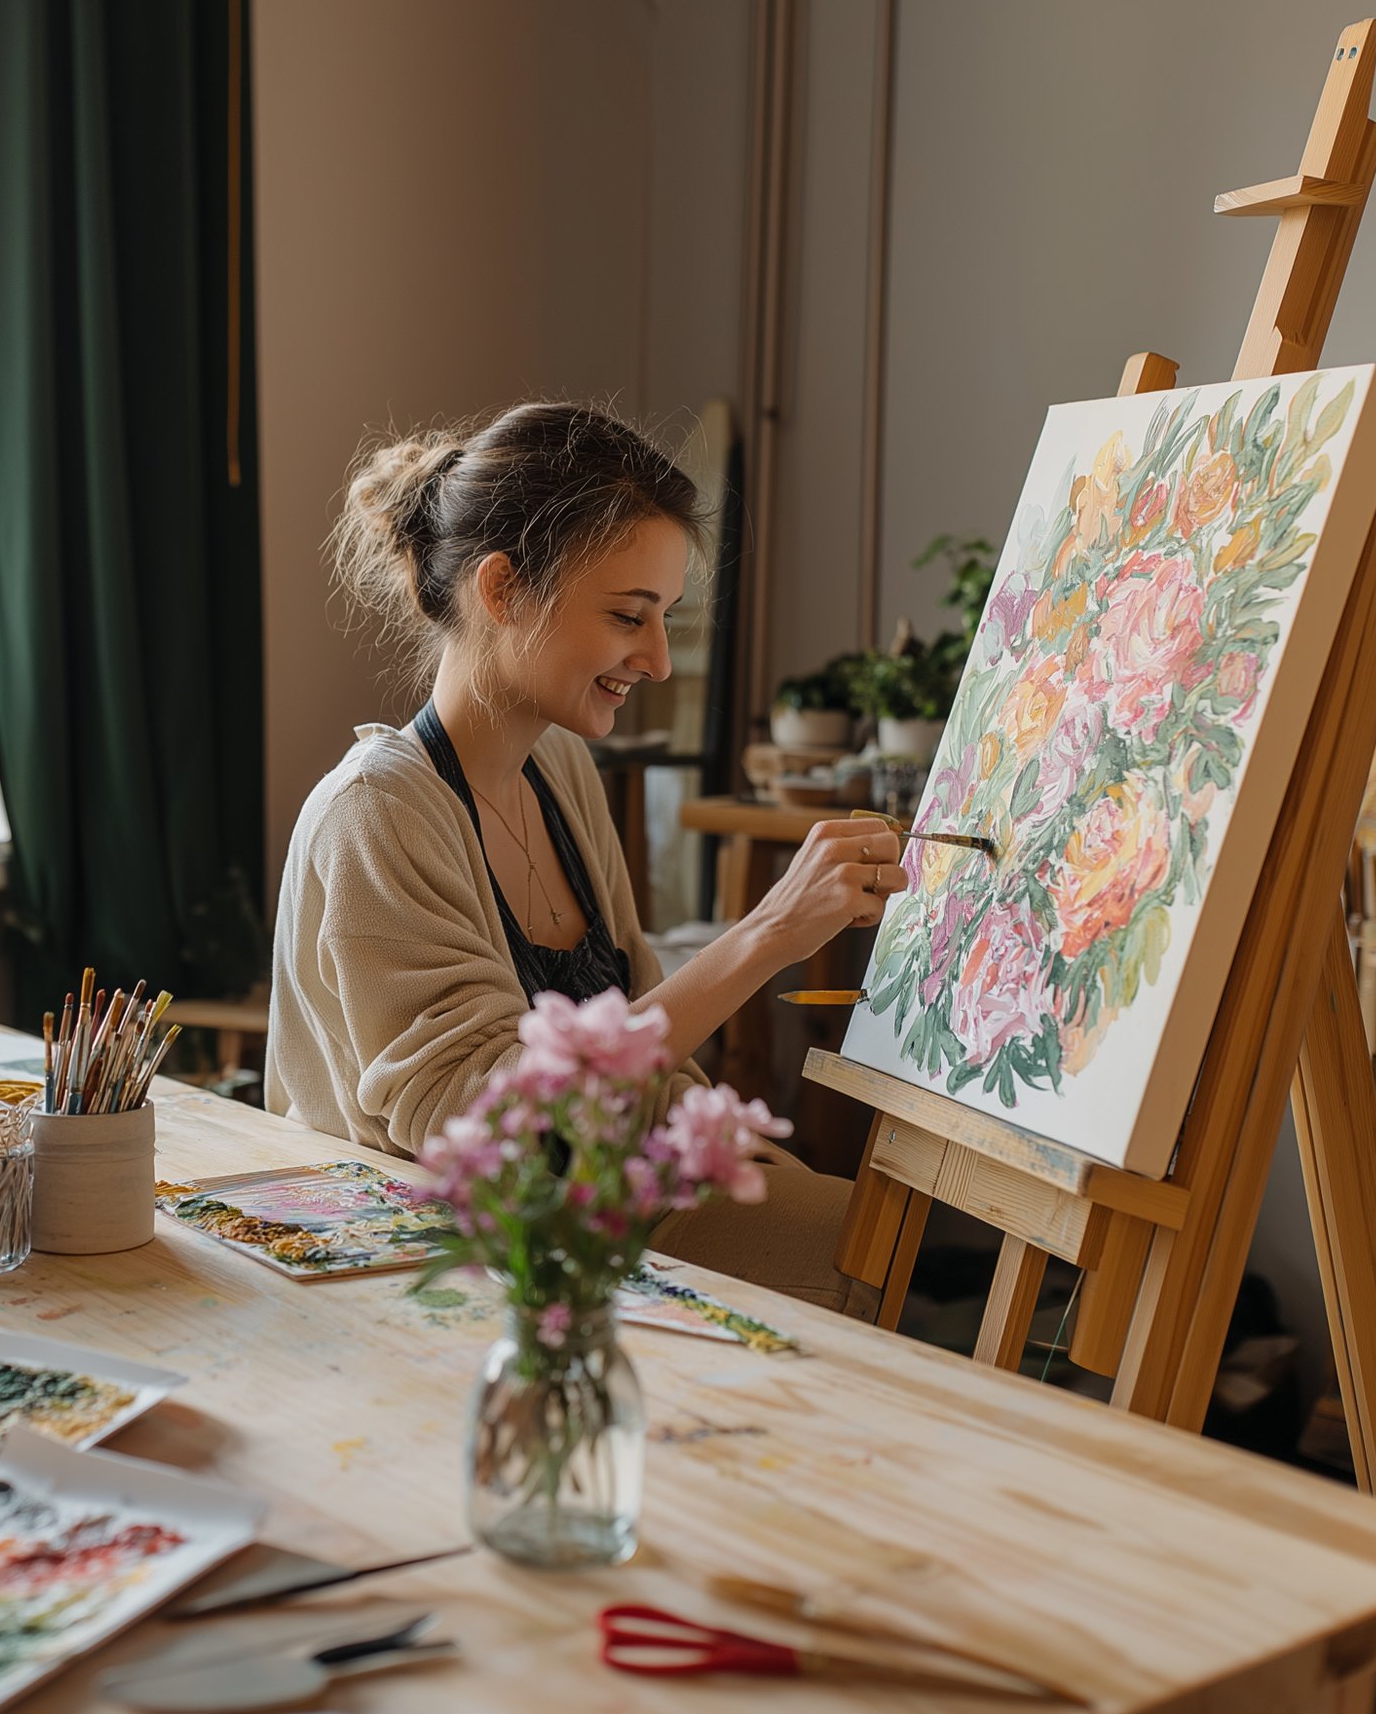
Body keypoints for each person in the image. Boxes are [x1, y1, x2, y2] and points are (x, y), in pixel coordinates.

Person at [269, 402, 910, 1312]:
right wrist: (765, 934)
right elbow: (488, 1130)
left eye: (666, 619)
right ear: (502, 591)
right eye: (627, 615)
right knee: (866, 1269)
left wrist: (733, 1142)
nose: (656, 660)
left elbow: (641, 1028)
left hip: (598, 1201)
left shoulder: (559, 766)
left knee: (881, 1235)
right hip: (452, 1258)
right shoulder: (378, 809)